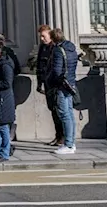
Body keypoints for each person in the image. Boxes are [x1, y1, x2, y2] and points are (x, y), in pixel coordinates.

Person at [47, 27, 79, 155]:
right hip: (70, 83)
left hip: (61, 85)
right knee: (69, 113)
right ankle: (71, 142)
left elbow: (56, 70)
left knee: (64, 114)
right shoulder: (71, 48)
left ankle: (68, 144)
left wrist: (50, 80)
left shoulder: (58, 50)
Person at [34, 24, 64, 146]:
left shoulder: (55, 48)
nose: (42, 39)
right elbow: (39, 66)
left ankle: (62, 136)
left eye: (43, 36)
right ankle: (58, 136)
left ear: (50, 35)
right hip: (46, 82)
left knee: (58, 110)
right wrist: (39, 82)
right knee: (52, 109)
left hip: (54, 83)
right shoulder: (43, 47)